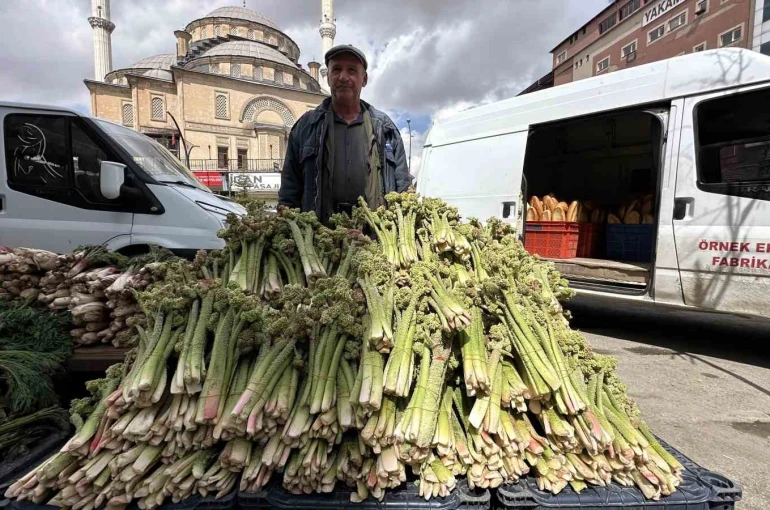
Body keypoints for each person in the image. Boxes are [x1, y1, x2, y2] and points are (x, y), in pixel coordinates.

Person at [278, 44, 412, 222]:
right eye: (336, 70)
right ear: (328, 78)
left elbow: (402, 187)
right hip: (320, 239)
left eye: (351, 70)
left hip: (374, 237)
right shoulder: (306, 127)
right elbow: (290, 189)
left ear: (363, 79)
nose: (343, 77)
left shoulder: (385, 128)